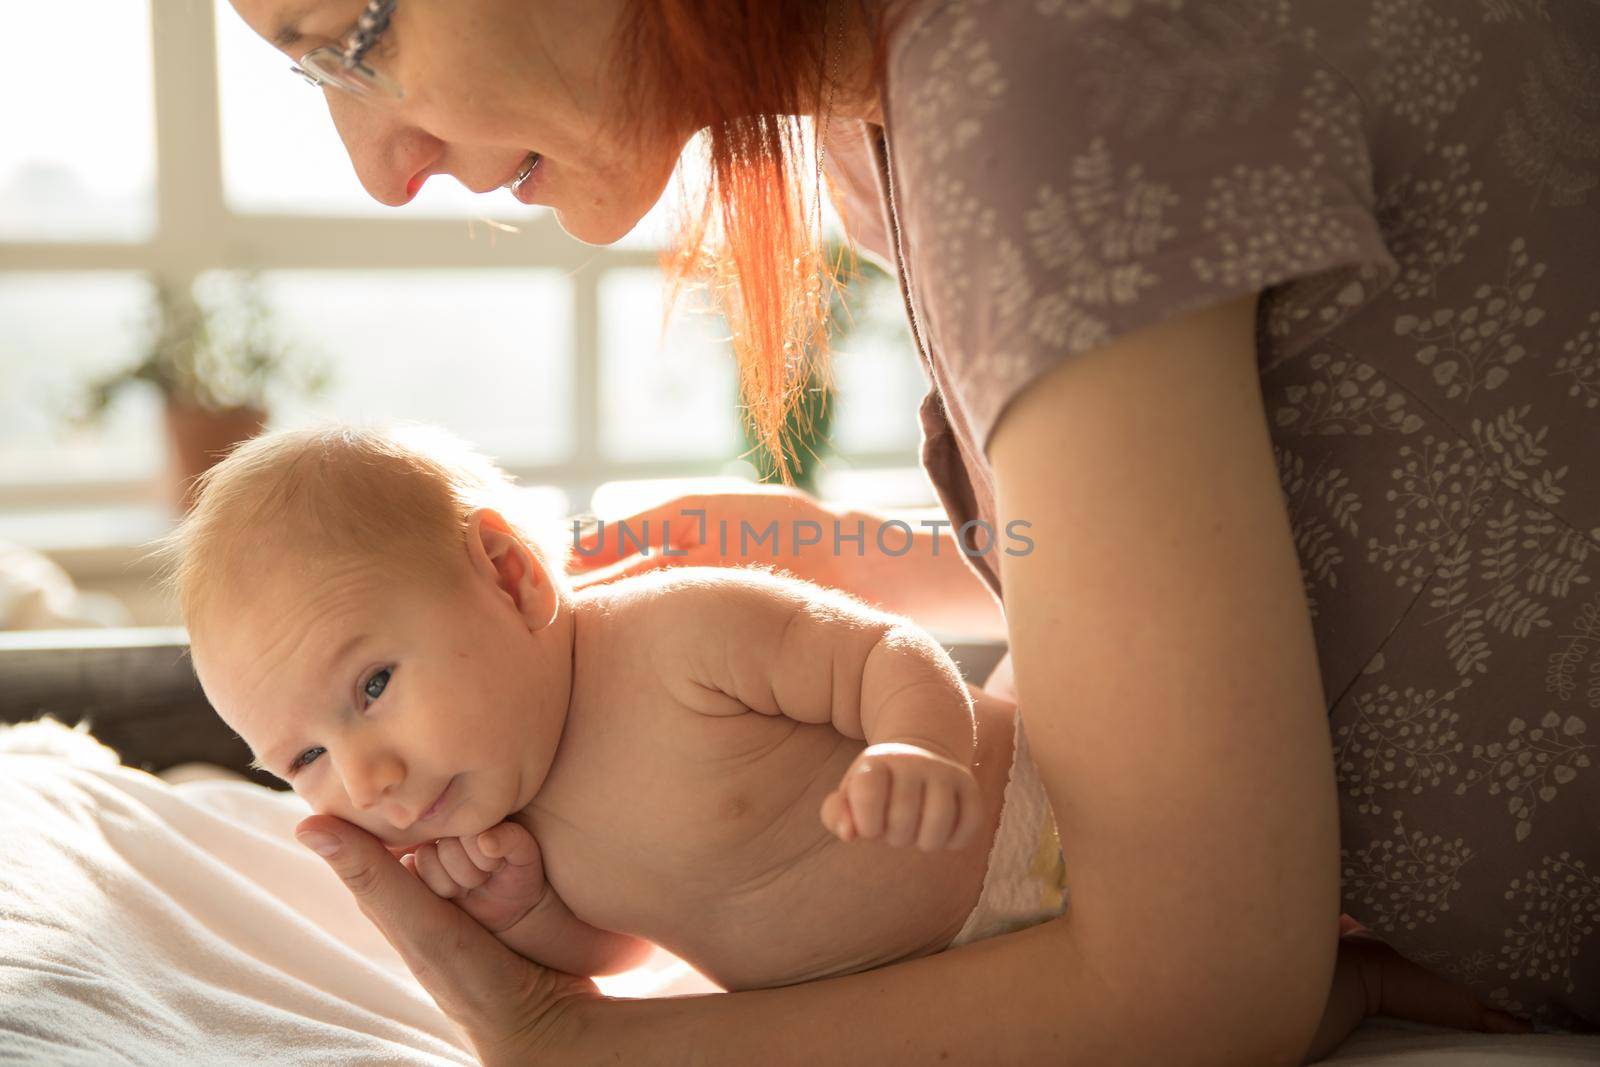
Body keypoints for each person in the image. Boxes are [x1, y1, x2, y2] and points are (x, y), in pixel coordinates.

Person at [219, 0, 1600, 1061]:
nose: (377, 168)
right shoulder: (881, 122)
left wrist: (581, 1044)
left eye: (354, 35)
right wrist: (855, 552)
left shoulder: (1035, 74)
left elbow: (1206, 984)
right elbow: (1268, 552)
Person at [155, 420, 1521, 1061]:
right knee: (1276, 1016)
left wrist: (914, 748)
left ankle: (1431, 941)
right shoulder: (507, 822)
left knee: (1323, 863)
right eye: (308, 761)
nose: (370, 780)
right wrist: (529, 919)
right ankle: (1385, 991)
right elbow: (624, 953)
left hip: (1075, 804)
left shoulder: (670, 630)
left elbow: (880, 653)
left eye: (374, 683)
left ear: (508, 577)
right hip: (1008, 975)